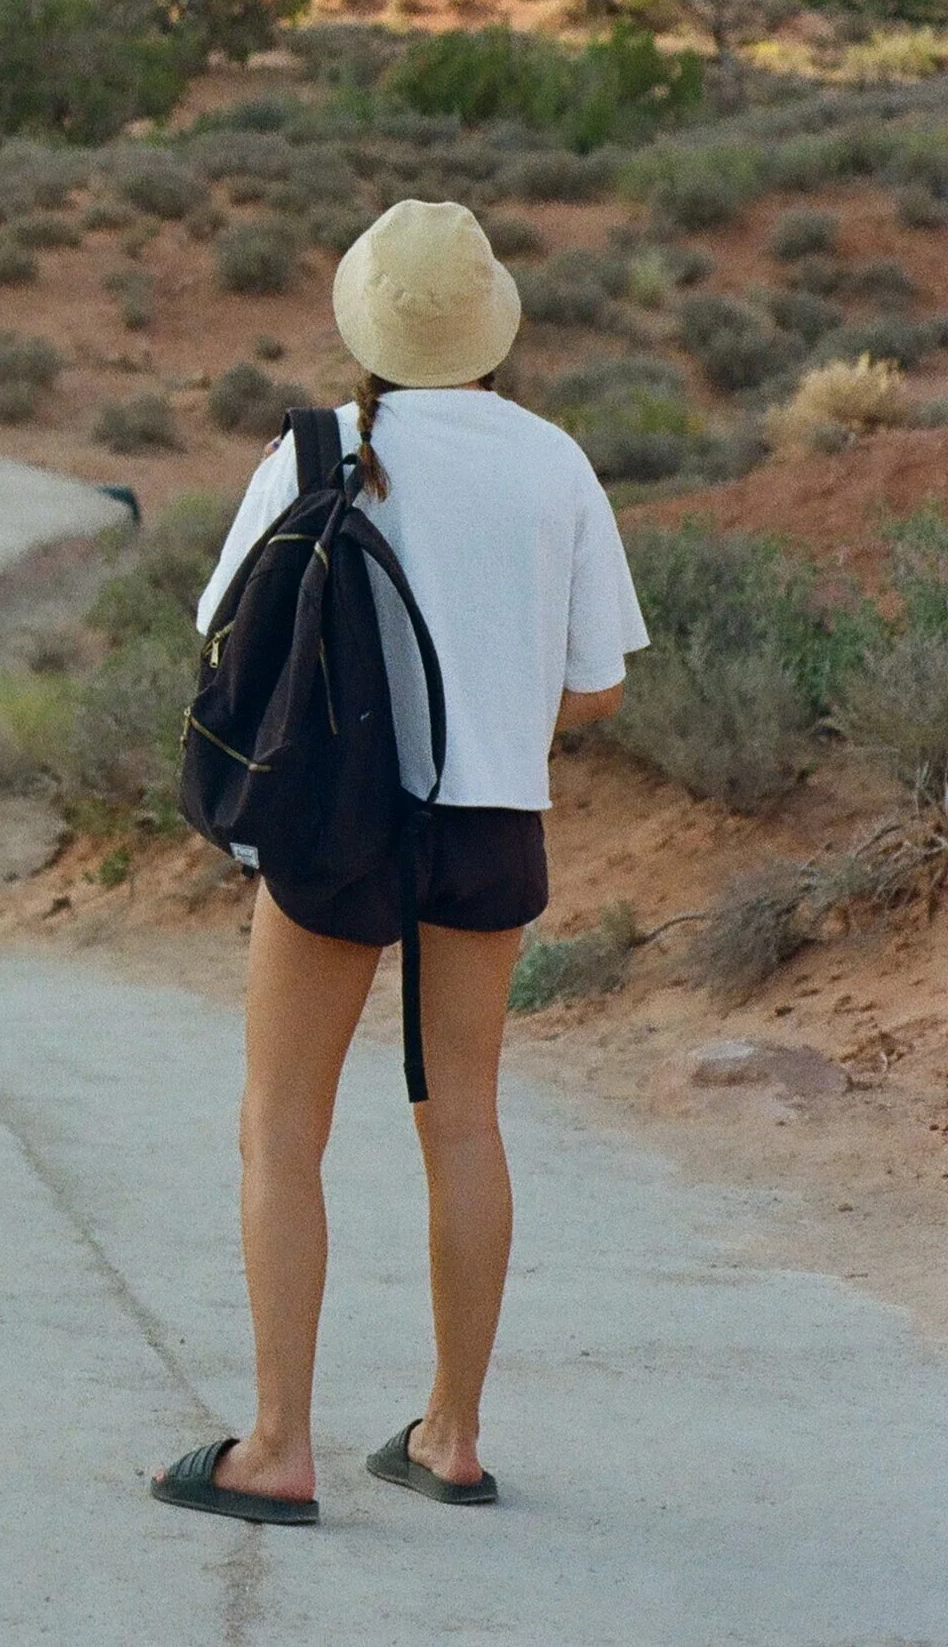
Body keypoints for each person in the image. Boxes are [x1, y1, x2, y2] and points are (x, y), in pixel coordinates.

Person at [151, 198, 648, 1529]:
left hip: (334, 822)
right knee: (466, 1119)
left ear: (365, 322)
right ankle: (454, 1436)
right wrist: (493, 698)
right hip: (490, 824)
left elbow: (225, 627)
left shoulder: (319, 450)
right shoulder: (556, 463)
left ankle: (276, 1449)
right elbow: (598, 690)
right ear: (491, 326)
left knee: (281, 1124)